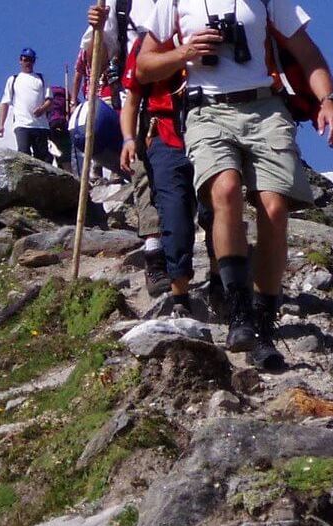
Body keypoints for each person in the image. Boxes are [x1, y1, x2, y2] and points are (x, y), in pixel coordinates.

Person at [135, 0, 333, 369]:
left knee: (275, 209)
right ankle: (239, 313)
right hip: (206, 109)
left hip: (265, 109)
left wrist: (328, 101)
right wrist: (185, 53)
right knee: (226, 191)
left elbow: (309, 54)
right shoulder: (173, 2)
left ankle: (265, 322)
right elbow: (143, 66)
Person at [91, 1, 210, 311]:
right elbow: (98, 57)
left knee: (196, 195)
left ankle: (203, 265)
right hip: (150, 108)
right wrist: (97, 30)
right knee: (154, 188)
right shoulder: (122, 6)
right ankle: (158, 259)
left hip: (194, 107)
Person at [0, 48, 58, 165]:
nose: (28, 63)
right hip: (22, 124)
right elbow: (5, 102)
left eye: (31, 60)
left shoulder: (42, 79)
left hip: (40, 126)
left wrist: (42, 109)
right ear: (20, 60)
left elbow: (49, 100)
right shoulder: (13, 80)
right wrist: (1, 125)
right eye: (25, 60)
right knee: (23, 154)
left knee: (43, 158)